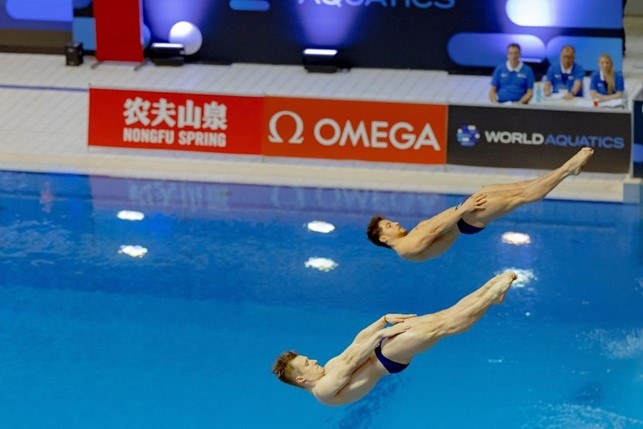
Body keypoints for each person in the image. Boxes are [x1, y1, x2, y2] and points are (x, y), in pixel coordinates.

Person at [272, 271, 518, 406]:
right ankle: (492, 294)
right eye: (306, 363)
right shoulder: (323, 390)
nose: (313, 360)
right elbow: (350, 363)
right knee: (443, 328)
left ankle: (490, 291)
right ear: (302, 378)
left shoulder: (326, 371)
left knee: (443, 317)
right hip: (387, 357)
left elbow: (355, 345)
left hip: (381, 347)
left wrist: (383, 319)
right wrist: (382, 333)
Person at [366, 147, 594, 262]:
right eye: (388, 226)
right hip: (467, 218)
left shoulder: (406, 240)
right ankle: (567, 170)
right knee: (521, 196)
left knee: (521, 187)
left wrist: (464, 206)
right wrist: (464, 209)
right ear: (384, 239)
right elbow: (435, 230)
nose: (394, 222)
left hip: (466, 209)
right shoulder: (405, 249)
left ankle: (567, 169)